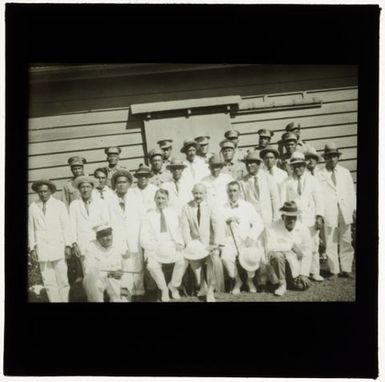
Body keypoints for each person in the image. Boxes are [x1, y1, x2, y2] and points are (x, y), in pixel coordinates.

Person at [280, 152, 324, 282]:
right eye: (295, 166)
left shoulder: (313, 180)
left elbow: (319, 199)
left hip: (310, 218)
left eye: (301, 165)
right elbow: (283, 201)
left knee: (313, 245)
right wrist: (284, 218)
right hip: (294, 219)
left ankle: (314, 272)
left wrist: (319, 216)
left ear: (305, 166)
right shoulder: (286, 182)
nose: (298, 168)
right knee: (296, 245)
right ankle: (298, 273)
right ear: (292, 167)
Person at [316, 143, 356, 278]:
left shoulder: (345, 172)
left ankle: (346, 268)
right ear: (325, 158)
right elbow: (318, 195)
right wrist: (320, 213)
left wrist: (354, 209)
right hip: (329, 210)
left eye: (334, 156)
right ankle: (334, 270)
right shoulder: (319, 174)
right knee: (330, 240)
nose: (332, 159)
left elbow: (351, 192)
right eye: (329, 156)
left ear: (338, 158)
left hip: (344, 209)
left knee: (346, 239)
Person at [140, 189, 187, 302]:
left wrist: (180, 243)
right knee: (152, 265)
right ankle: (164, 289)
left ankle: (173, 286)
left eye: (163, 198)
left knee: (184, 260)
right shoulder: (148, 215)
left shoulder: (174, 213)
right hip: (155, 245)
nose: (160, 201)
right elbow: (144, 235)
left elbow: (180, 230)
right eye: (158, 198)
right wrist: (151, 248)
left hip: (172, 244)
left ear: (167, 200)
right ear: (154, 199)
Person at [181, 183, 225, 302]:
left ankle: (210, 290)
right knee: (195, 264)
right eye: (196, 193)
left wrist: (215, 244)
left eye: (201, 193)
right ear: (192, 193)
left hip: (209, 243)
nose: (198, 196)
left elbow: (217, 224)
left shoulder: (211, 205)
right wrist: (189, 245)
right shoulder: (186, 207)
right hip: (195, 244)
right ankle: (202, 285)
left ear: (205, 194)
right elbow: (185, 228)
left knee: (214, 262)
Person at [28, 179, 71, 302]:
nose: (42, 194)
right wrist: (32, 249)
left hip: (58, 247)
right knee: (48, 281)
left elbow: (66, 227)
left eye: (45, 191)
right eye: (40, 192)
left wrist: (68, 245)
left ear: (51, 191)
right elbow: (31, 230)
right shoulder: (33, 207)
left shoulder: (59, 205)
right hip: (43, 249)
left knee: (62, 280)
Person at [221, 181, 265, 294]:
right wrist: (225, 222)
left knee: (251, 254)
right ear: (226, 192)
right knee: (225, 257)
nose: (232, 193)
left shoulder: (247, 206)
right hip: (229, 241)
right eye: (230, 191)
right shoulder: (222, 207)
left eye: (235, 190)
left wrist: (251, 237)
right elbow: (218, 226)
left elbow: (259, 223)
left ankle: (249, 281)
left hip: (245, 240)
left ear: (239, 192)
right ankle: (238, 281)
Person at [108, 170, 144, 296]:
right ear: (115, 184)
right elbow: (108, 220)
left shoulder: (136, 197)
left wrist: (142, 237)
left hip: (135, 235)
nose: (121, 185)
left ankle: (139, 291)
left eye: (124, 182)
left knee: (137, 264)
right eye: (118, 182)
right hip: (118, 237)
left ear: (129, 184)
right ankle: (125, 292)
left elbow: (142, 218)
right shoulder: (109, 199)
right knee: (123, 265)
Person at [265, 201, 313, 296]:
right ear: (283, 217)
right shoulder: (273, 227)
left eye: (294, 217)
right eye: (289, 217)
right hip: (277, 264)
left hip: (294, 265)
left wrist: (304, 274)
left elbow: (308, 252)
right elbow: (270, 247)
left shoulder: (303, 229)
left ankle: (290, 280)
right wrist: (291, 246)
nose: (292, 220)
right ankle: (282, 284)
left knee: (303, 286)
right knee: (277, 255)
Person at [69, 176, 110, 270]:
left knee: (102, 271)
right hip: (83, 243)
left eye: (88, 187)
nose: (85, 189)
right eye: (82, 187)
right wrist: (74, 244)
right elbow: (72, 226)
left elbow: (106, 221)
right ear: (79, 189)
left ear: (92, 188)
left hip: (99, 241)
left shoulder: (101, 203)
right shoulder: (74, 205)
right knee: (88, 272)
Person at [82, 224, 125, 303]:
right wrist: (109, 273)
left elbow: (119, 265)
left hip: (112, 280)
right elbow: (88, 270)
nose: (108, 238)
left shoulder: (116, 246)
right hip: (96, 280)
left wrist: (117, 272)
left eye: (109, 234)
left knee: (117, 281)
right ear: (97, 238)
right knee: (91, 279)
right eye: (104, 236)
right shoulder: (90, 247)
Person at [239, 151, 280, 225]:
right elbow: (242, 203)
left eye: (252, 163)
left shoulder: (268, 178)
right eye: (247, 163)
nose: (249, 165)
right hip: (253, 221)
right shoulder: (242, 182)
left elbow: (275, 200)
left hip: (268, 220)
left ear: (258, 164)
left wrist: (275, 220)